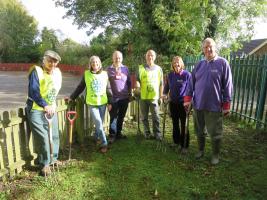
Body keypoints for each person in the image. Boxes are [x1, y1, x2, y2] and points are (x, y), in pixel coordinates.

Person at [184, 38, 233, 165]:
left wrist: (227, 104)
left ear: (215, 47)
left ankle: (215, 155)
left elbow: (228, 85)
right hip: (198, 104)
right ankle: (200, 150)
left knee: (215, 133)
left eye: (210, 46)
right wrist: (187, 99)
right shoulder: (199, 64)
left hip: (214, 106)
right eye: (205, 47)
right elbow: (191, 83)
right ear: (203, 49)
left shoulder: (223, 63)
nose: (208, 49)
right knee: (199, 130)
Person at [26, 50, 62, 176]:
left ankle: (54, 158)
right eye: (50, 61)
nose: (52, 63)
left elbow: (55, 89)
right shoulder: (36, 71)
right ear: (44, 60)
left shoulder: (57, 72)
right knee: (43, 137)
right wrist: (45, 105)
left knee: (55, 135)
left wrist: (51, 104)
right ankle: (45, 164)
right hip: (36, 108)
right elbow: (34, 91)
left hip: (51, 108)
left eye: (55, 62)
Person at [69, 56, 111, 153]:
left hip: (103, 102)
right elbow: (80, 87)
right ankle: (104, 143)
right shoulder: (86, 74)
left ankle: (96, 138)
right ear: (90, 64)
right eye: (92, 62)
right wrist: (72, 96)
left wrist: (110, 102)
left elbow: (108, 89)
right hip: (92, 103)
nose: (94, 63)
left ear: (99, 63)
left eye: (96, 62)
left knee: (99, 123)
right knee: (98, 122)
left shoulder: (105, 74)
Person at [163, 56, 191, 153]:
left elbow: (191, 89)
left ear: (181, 63)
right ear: (172, 64)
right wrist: (164, 94)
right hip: (173, 103)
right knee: (175, 123)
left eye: (178, 62)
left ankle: (184, 146)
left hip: (184, 104)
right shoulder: (170, 75)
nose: (176, 64)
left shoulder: (187, 75)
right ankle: (176, 142)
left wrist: (189, 101)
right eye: (174, 62)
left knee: (184, 125)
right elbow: (166, 86)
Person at [135, 49, 163, 140]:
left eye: (152, 55)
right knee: (144, 117)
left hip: (154, 97)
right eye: (148, 55)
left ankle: (157, 134)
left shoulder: (159, 69)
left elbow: (161, 83)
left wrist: (161, 96)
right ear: (145, 57)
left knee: (156, 117)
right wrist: (138, 88)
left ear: (154, 57)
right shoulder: (140, 68)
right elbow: (137, 81)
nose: (150, 57)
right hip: (143, 97)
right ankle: (147, 133)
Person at [107, 51, 132, 143]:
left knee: (121, 116)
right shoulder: (108, 70)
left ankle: (119, 133)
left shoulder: (125, 69)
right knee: (113, 117)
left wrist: (129, 93)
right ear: (112, 58)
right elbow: (106, 85)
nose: (117, 59)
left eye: (119, 58)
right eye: (116, 57)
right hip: (113, 98)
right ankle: (112, 135)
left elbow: (129, 82)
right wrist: (109, 101)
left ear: (122, 59)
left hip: (124, 98)